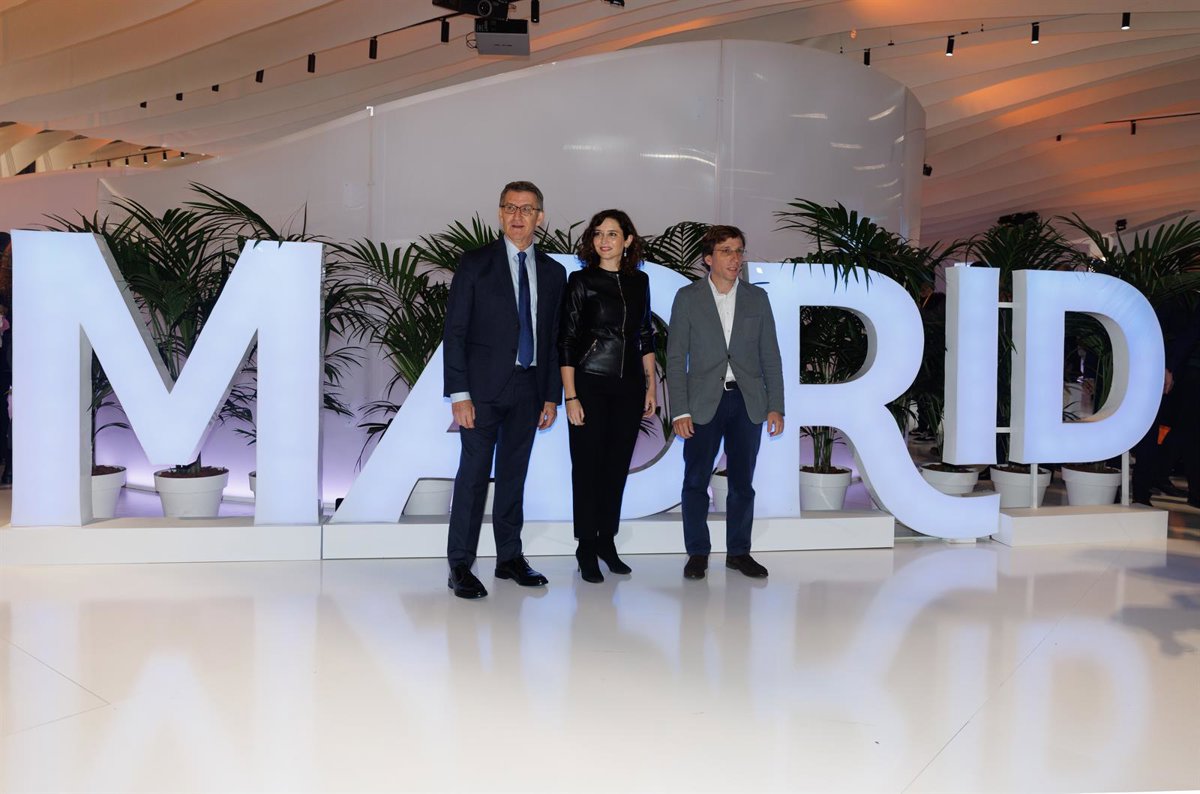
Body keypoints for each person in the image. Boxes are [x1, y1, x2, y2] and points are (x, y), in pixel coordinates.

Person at [442, 181, 566, 599]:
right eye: (510, 208)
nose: (518, 216)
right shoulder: (475, 263)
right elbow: (455, 331)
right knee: (473, 478)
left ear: (540, 217)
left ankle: (509, 558)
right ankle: (460, 565)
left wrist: (550, 396)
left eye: (527, 209)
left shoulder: (554, 272)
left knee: (514, 477)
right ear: (499, 214)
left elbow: (553, 339)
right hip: (481, 393)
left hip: (530, 389)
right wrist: (459, 394)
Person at [666, 225, 784, 580]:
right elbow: (675, 359)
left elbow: (770, 356)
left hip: (748, 402)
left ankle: (739, 552)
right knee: (695, 480)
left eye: (739, 251)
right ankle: (697, 552)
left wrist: (776, 405)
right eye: (726, 251)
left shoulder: (757, 298)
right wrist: (680, 409)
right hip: (702, 403)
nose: (735, 258)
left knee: (742, 483)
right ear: (708, 258)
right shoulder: (687, 298)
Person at [559, 210, 657, 583]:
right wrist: (571, 396)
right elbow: (567, 340)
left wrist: (651, 386)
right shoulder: (581, 281)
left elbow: (644, 334)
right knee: (587, 468)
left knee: (616, 468)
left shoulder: (640, 281)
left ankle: (606, 541)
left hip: (629, 387)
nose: (604, 240)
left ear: (628, 240)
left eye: (612, 234)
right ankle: (586, 546)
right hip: (589, 383)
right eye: (598, 233)